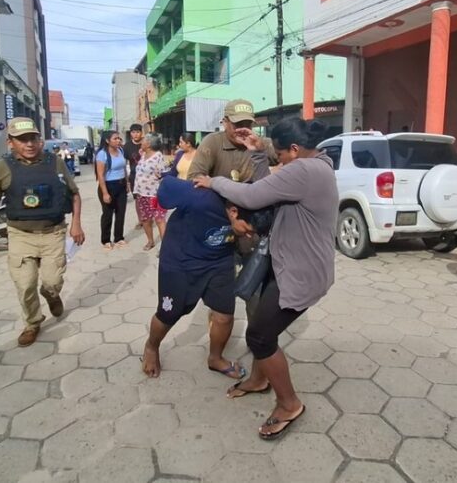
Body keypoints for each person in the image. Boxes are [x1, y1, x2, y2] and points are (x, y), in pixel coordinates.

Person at [194, 117, 338, 440]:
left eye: (282, 155)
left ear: (297, 150)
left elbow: (254, 196)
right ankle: (260, 381)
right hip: (290, 262)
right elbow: (273, 190)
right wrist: (259, 153)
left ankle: (289, 405)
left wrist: (212, 181)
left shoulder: (304, 171)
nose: (280, 161)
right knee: (261, 319)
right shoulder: (318, 164)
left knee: (259, 336)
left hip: (301, 273)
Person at [141, 176, 273, 379]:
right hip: (180, 261)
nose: (248, 236)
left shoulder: (252, 205)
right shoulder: (199, 198)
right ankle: (151, 346)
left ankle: (215, 358)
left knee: (224, 315)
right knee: (170, 313)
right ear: (234, 212)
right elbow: (166, 185)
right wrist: (187, 183)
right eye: (246, 231)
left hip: (219, 261)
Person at [0, 118, 85, 347]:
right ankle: (33, 323)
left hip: (53, 232)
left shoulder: (54, 162)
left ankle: (52, 295)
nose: (29, 144)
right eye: (22, 139)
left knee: (52, 281)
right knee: (25, 284)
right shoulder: (2, 168)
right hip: (20, 235)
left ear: (40, 140)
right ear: (10, 142)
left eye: (33, 138)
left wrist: (76, 224)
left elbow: (74, 194)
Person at [187, 99, 276, 183]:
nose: (243, 129)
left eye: (247, 125)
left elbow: (288, 155)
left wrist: (276, 174)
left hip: (252, 198)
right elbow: (194, 178)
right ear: (225, 123)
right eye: (238, 124)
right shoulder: (212, 142)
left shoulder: (260, 144)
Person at [133, 132, 169, 250]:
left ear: (148, 144)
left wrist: (161, 176)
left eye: (143, 141)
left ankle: (165, 247)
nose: (141, 142)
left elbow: (164, 174)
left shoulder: (158, 156)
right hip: (141, 193)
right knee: (145, 219)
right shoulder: (143, 154)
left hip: (154, 195)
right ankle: (150, 241)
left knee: (159, 219)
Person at [95, 130, 128, 250]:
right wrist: (105, 193)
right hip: (108, 186)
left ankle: (118, 237)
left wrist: (127, 182)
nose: (118, 140)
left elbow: (124, 168)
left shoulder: (121, 151)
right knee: (107, 214)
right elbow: (100, 175)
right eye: (115, 138)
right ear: (107, 141)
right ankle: (105, 240)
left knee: (121, 213)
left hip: (121, 185)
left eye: (119, 138)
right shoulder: (102, 154)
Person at [127, 124, 145, 228]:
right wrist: (127, 180)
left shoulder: (147, 143)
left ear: (141, 132)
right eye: (133, 132)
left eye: (138, 132)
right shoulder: (127, 146)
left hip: (147, 177)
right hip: (134, 177)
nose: (136, 134)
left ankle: (149, 218)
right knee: (138, 199)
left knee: (149, 198)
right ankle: (141, 220)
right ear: (131, 134)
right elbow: (124, 163)